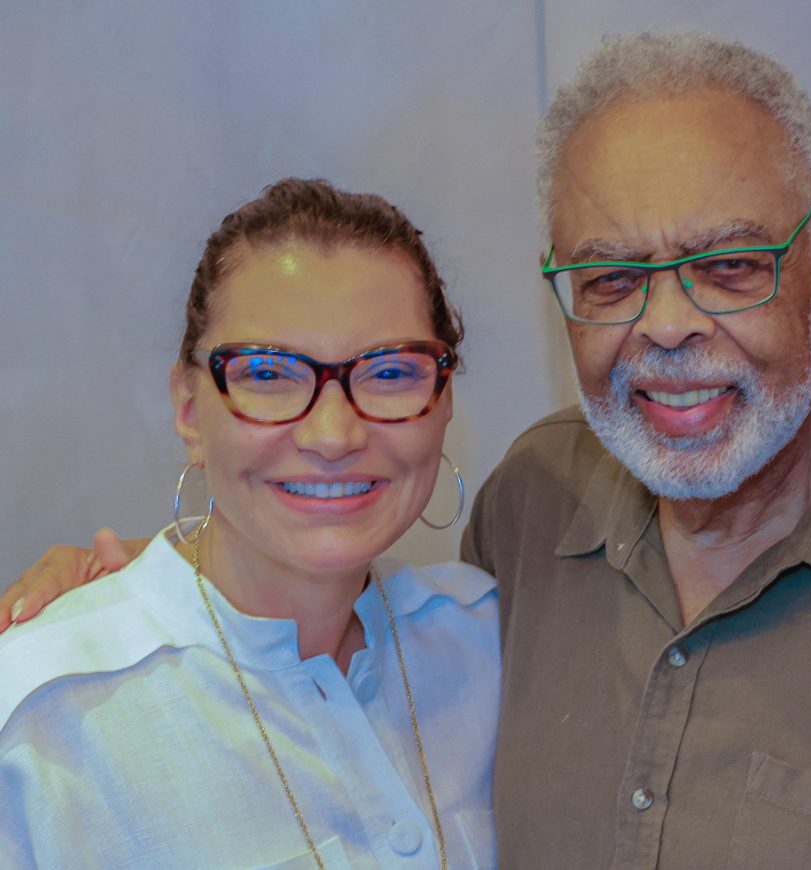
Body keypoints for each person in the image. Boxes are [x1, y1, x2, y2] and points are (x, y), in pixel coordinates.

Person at [2, 34, 811, 868]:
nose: (669, 325)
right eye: (611, 279)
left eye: (729, 265)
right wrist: (127, 597)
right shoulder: (532, 514)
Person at [0, 179, 500, 869]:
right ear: (187, 410)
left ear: (444, 402)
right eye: (268, 373)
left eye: (390, 372)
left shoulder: (489, 641)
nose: (333, 434)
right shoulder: (38, 725)